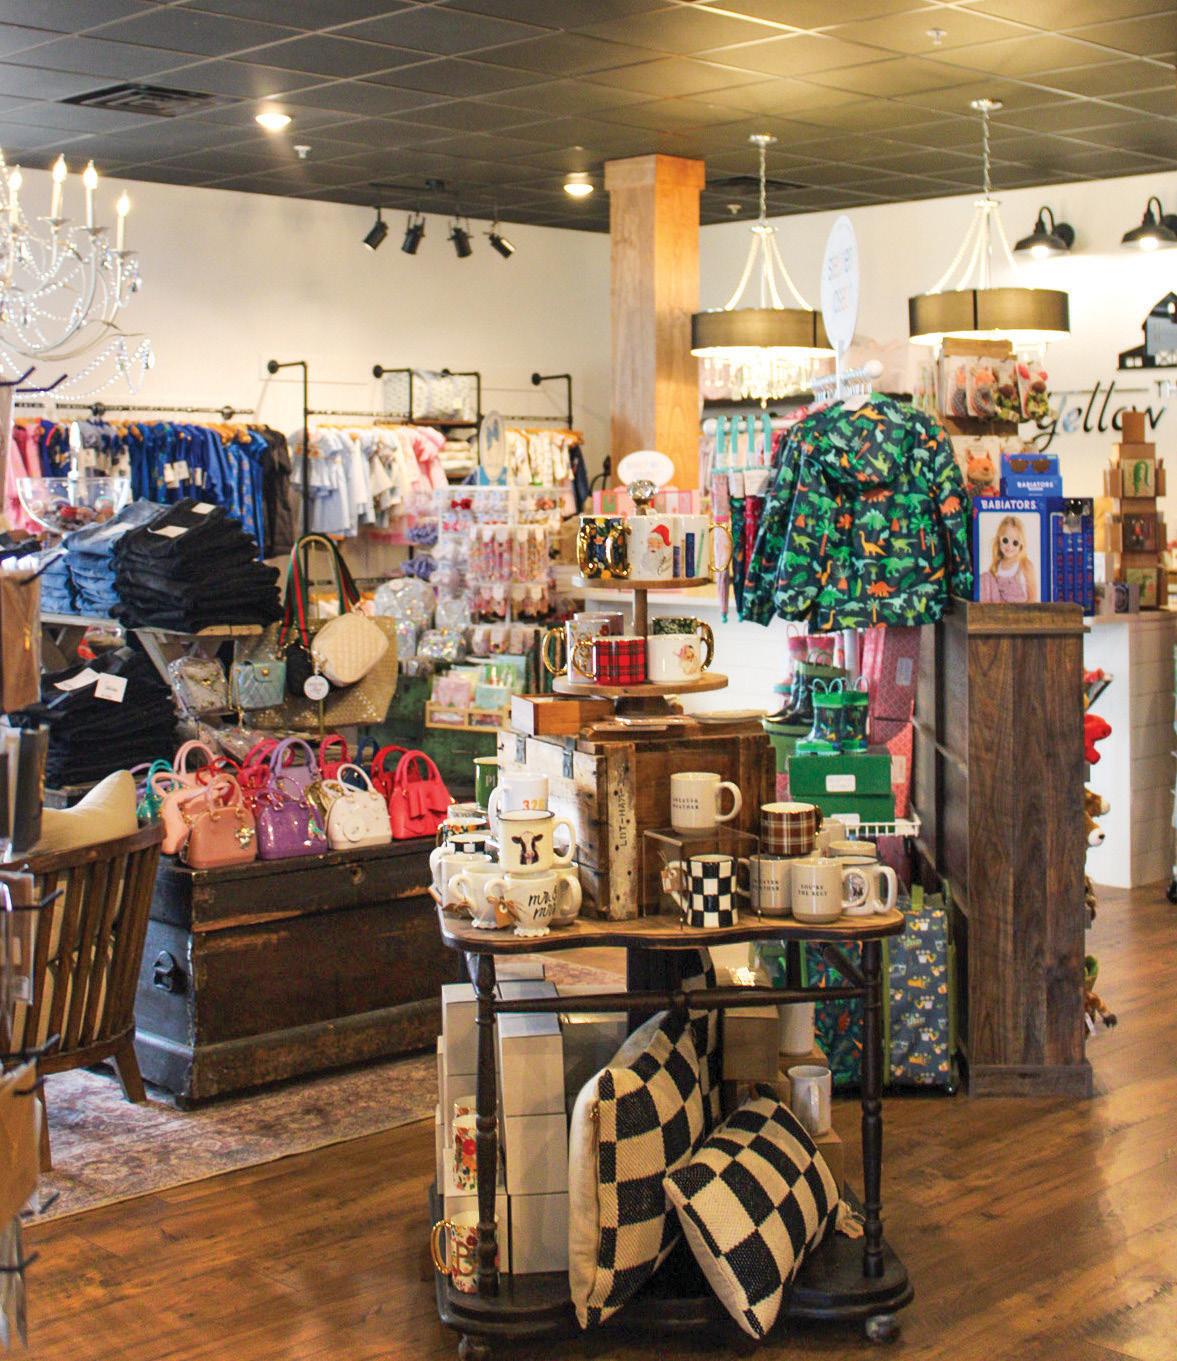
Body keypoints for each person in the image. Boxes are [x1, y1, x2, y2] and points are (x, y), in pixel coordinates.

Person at [980, 513, 1037, 603]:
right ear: (999, 540)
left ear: (1021, 544)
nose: (1009, 546)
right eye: (1005, 540)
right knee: (985, 577)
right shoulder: (996, 566)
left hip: (1019, 609)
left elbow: (1032, 599)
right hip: (999, 609)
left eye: (1015, 543)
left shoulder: (1025, 565)